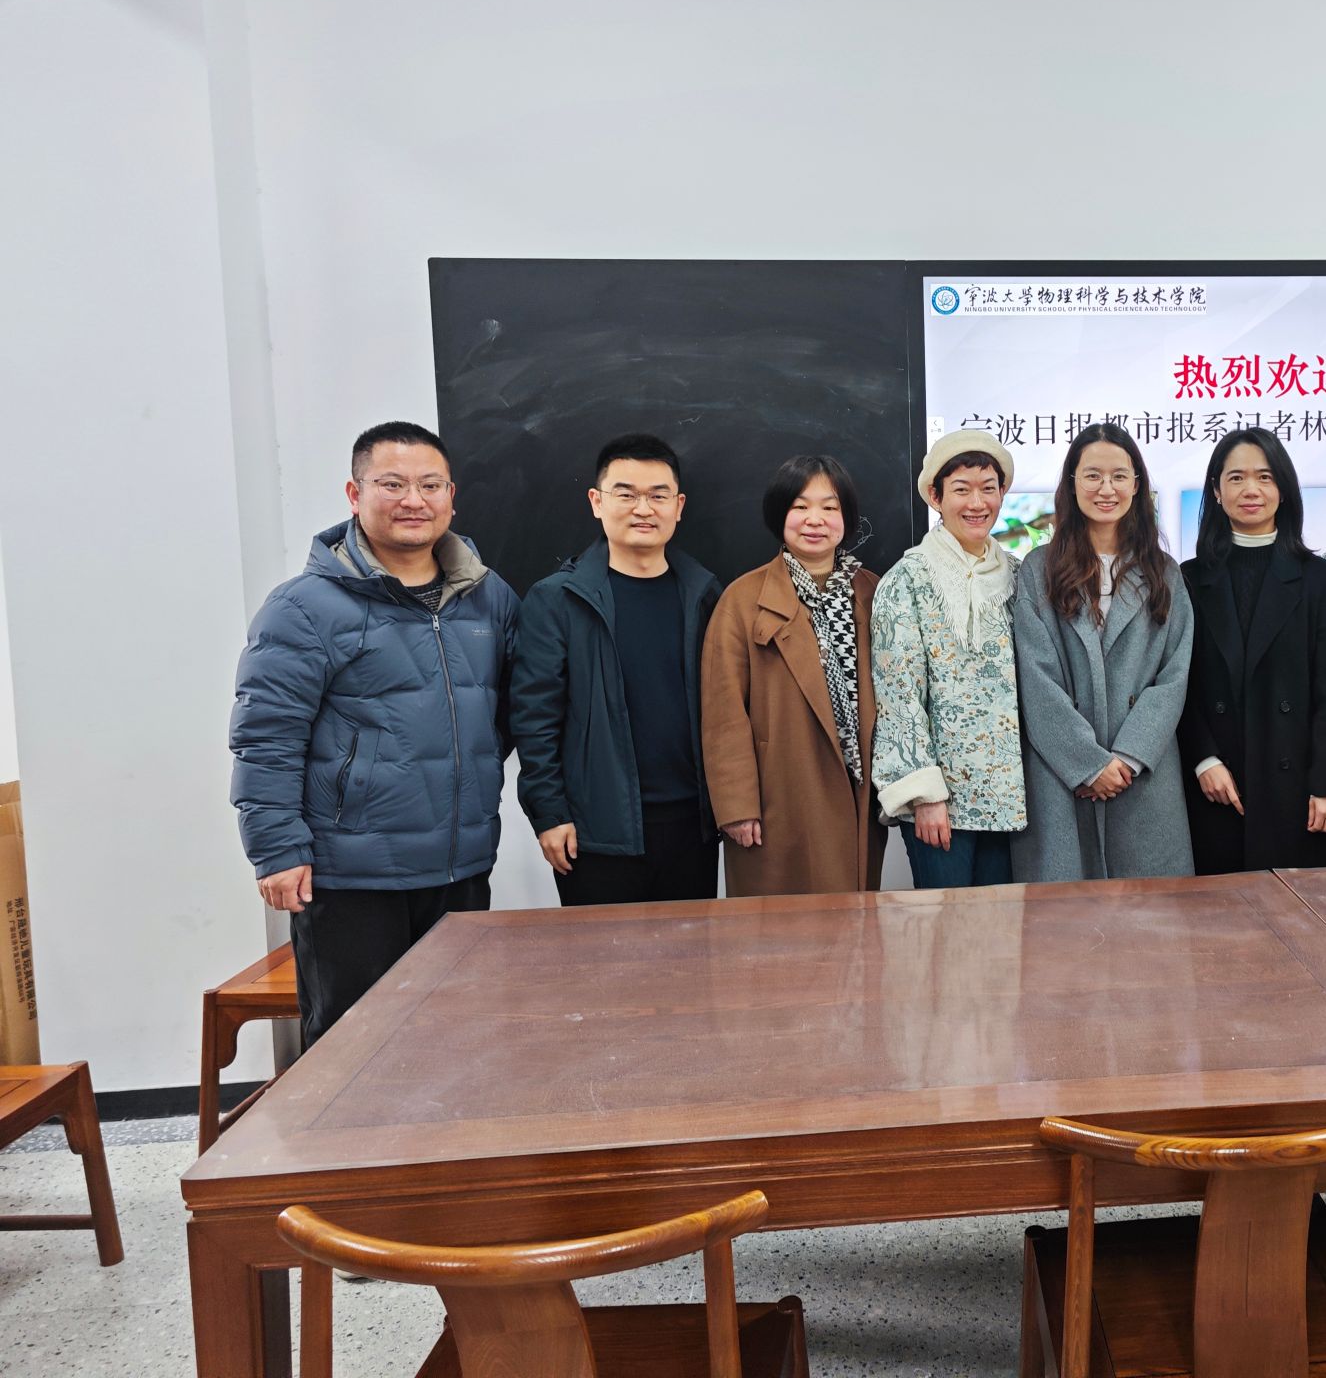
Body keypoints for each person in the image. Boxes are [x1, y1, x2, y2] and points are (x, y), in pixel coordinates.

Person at [230, 421, 520, 1046]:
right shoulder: (304, 608)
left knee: (457, 1041)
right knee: (353, 1050)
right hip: (351, 874)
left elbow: (505, 715)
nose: (413, 499)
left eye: (430, 485)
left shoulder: (488, 597)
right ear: (354, 493)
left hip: (460, 865)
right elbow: (266, 737)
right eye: (392, 484)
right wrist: (277, 849)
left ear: (450, 496)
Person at [507, 433, 724, 905]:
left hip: (693, 825)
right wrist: (549, 814)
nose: (643, 509)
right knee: (601, 955)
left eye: (658, 496)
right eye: (626, 494)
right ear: (597, 502)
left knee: (690, 952)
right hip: (595, 831)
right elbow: (534, 719)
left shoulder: (705, 595)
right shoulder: (557, 600)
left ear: (678, 507)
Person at [1012, 423, 1196, 882]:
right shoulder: (1039, 569)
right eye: (1093, 475)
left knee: (1152, 915)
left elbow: (1173, 676)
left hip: (1143, 776)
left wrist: (1126, 759)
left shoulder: (1164, 572)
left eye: (1119, 476)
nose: (1106, 489)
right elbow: (1036, 678)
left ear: (1137, 484)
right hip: (1063, 775)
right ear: (1072, 483)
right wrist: (1089, 764)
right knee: (1066, 914)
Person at [702, 456, 885, 895]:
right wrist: (736, 806)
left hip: (858, 791)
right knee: (778, 927)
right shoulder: (743, 599)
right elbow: (723, 714)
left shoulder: (873, 591)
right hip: (778, 796)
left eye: (829, 507)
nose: (814, 520)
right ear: (779, 514)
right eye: (800, 507)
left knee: (853, 923)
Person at [1178, 428, 1326, 873]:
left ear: (1284, 489)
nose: (1251, 490)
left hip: (1300, 793)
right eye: (1236, 478)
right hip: (1217, 785)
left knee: (1299, 910)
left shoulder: (1319, 579)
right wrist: (1203, 758)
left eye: (1265, 477)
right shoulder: (1188, 578)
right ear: (1216, 491)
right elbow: (1178, 683)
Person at [871, 430, 1027, 888]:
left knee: (1003, 925)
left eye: (988, 488)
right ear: (936, 497)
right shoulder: (907, 579)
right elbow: (899, 696)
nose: (977, 502)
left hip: (1009, 799)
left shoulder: (1020, 577)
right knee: (945, 926)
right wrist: (924, 795)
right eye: (961, 489)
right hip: (941, 804)